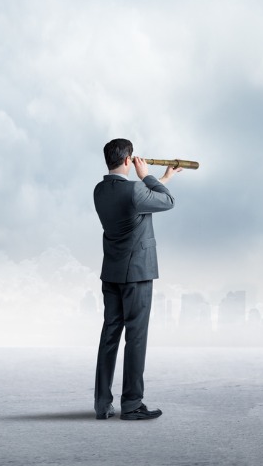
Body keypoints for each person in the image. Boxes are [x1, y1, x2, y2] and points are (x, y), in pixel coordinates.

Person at [92, 138, 182, 420]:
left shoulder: (100, 190)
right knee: (136, 337)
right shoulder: (135, 190)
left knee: (109, 336)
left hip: (112, 273)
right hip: (138, 274)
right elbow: (167, 201)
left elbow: (141, 201)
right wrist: (149, 176)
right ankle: (131, 404)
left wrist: (162, 177)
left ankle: (102, 404)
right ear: (129, 160)